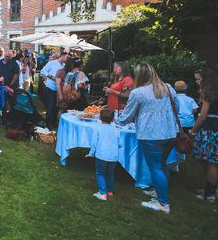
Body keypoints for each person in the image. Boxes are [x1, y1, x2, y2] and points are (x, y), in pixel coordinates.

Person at [116, 63, 179, 214]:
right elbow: (177, 107)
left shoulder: (138, 93)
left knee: (156, 167)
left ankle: (163, 203)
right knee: (162, 164)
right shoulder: (168, 87)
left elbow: (127, 116)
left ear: (139, 76)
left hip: (151, 135)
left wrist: (117, 121)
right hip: (171, 133)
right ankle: (159, 191)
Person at [191, 68, 218, 201]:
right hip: (214, 128)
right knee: (210, 161)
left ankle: (210, 193)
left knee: (211, 161)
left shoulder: (208, 93)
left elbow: (202, 116)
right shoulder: (215, 91)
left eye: (198, 79)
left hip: (210, 129)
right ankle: (210, 188)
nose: (196, 82)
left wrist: (193, 130)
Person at [87, 109, 120, 201]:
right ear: (113, 119)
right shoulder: (116, 129)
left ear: (100, 118)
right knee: (110, 174)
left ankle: (102, 193)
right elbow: (119, 143)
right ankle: (110, 191)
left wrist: (91, 153)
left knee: (100, 173)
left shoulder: (97, 128)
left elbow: (94, 142)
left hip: (101, 155)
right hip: (113, 156)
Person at [40, 51, 68, 130]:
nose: (67, 59)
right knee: (50, 106)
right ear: (62, 56)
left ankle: (54, 122)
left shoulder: (64, 66)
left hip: (59, 89)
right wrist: (51, 77)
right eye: (66, 57)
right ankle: (48, 125)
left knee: (56, 107)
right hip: (50, 87)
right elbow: (43, 71)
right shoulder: (52, 63)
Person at [0, 50, 20, 125]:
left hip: (12, 87)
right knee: (3, 102)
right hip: (2, 86)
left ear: (11, 57)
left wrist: (11, 84)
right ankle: (4, 117)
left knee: (12, 103)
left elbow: (16, 74)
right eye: (6, 56)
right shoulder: (0, 62)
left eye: (9, 57)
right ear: (4, 55)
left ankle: (12, 118)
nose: (7, 58)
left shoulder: (14, 63)